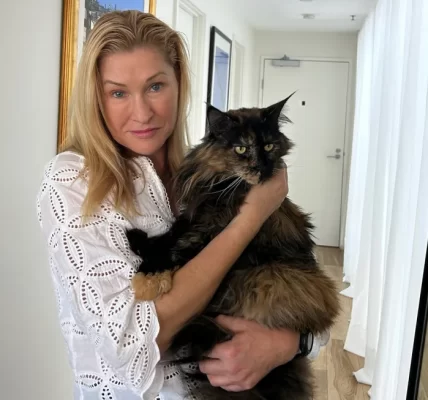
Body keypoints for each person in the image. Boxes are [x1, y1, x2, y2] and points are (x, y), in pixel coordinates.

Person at [37, 10, 327, 400]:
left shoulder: (209, 172)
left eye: (155, 86)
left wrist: (288, 344)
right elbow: (131, 344)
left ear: (179, 82)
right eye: (118, 92)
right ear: (96, 98)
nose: (142, 113)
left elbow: (307, 292)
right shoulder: (73, 182)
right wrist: (252, 216)